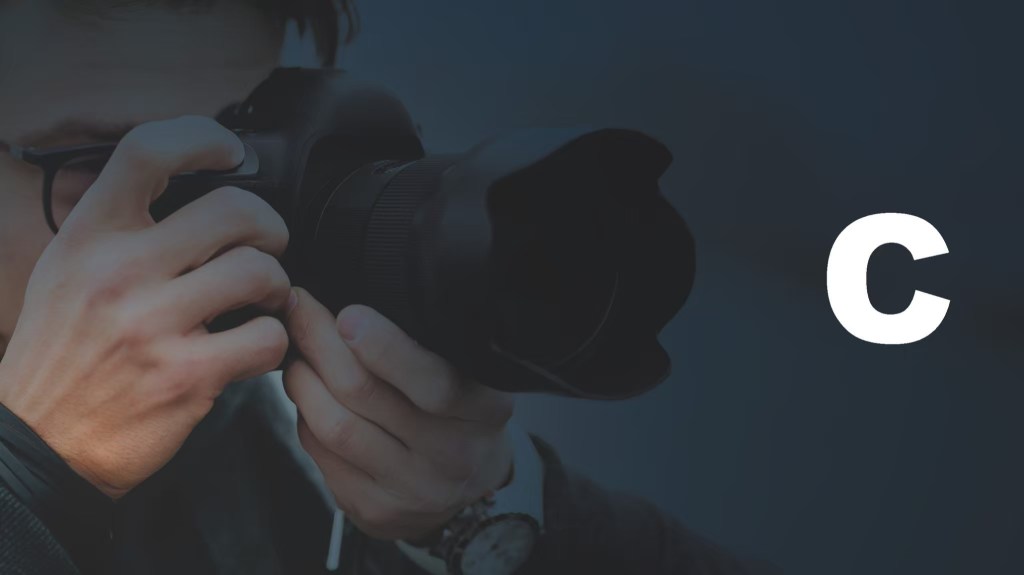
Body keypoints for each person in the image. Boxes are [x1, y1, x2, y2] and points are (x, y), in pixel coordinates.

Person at [0, 1, 770, 574]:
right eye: (98, 167)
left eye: (237, 157)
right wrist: (31, 468)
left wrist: (477, 511)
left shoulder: (275, 443)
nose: (204, 230)